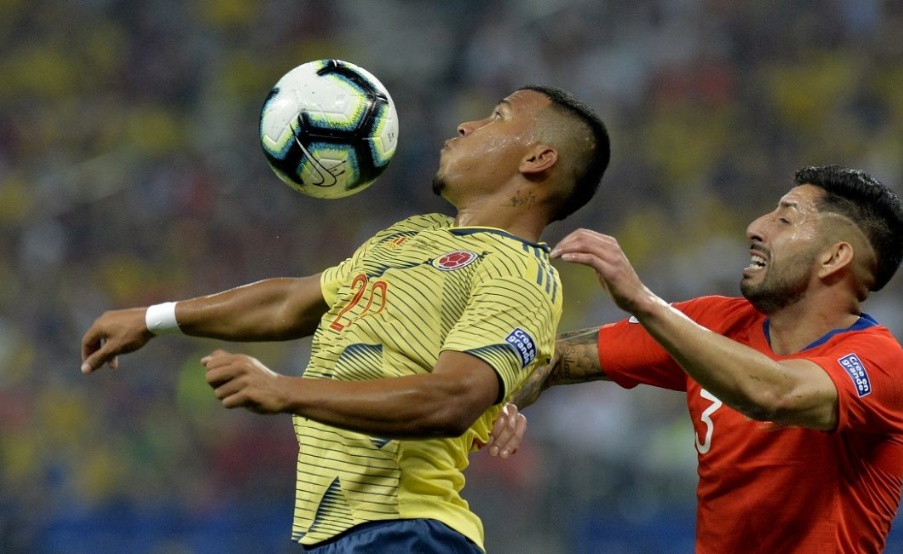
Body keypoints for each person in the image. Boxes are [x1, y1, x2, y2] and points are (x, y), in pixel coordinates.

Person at [80, 85, 611, 553]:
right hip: (339, 534)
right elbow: (291, 302)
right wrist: (154, 318)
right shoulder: (413, 235)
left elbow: (453, 399)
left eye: (497, 117)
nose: (466, 125)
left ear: (539, 158)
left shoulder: (520, 273)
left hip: (408, 531)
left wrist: (285, 391)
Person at [488, 165, 903, 553]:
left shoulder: (879, 361)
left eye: (784, 219)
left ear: (833, 258)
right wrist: (495, 397)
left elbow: (774, 393)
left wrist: (642, 301)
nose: (755, 227)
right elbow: (554, 357)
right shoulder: (713, 323)